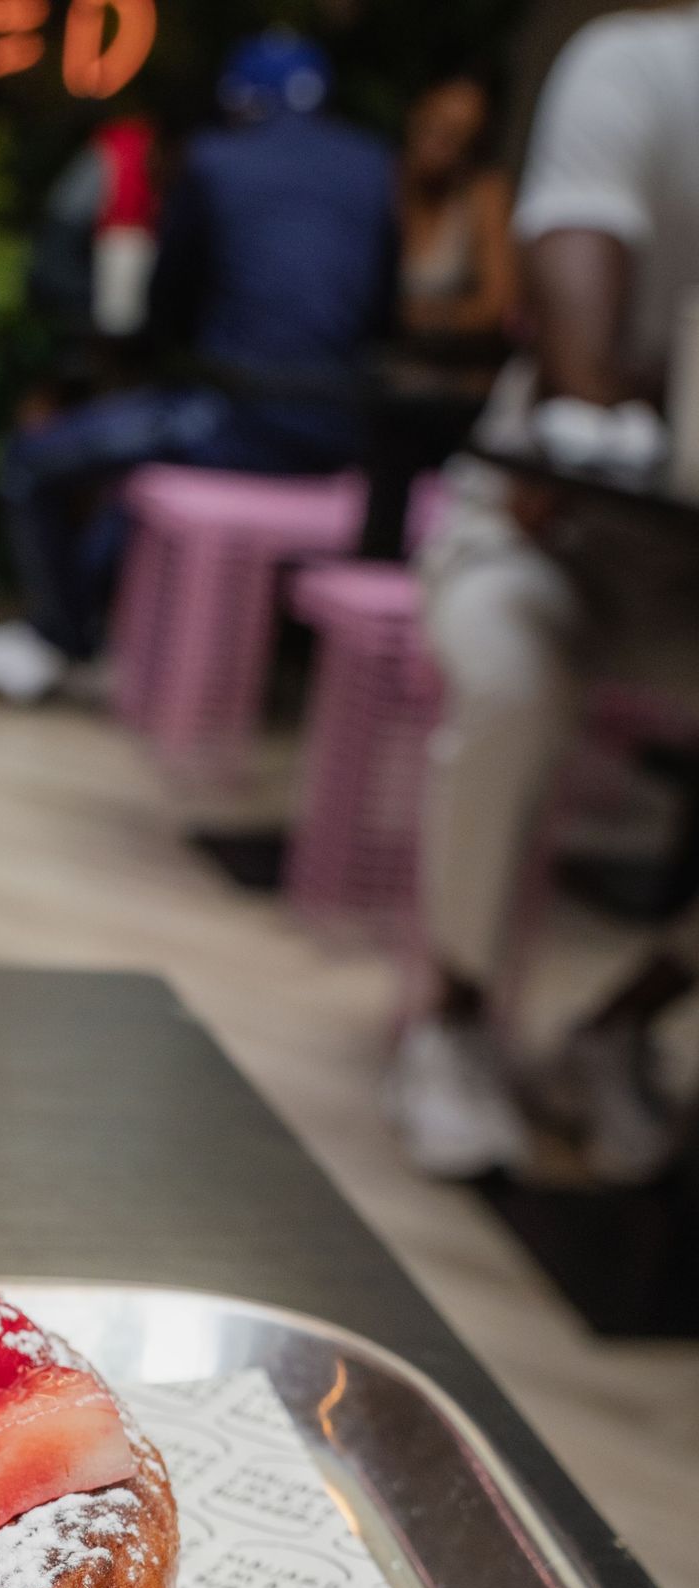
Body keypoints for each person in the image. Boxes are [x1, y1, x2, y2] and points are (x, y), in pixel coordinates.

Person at [391, 5, 699, 1184]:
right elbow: (574, 244)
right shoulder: (641, 63)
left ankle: (620, 1023)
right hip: (538, 526)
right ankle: (450, 1019)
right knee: (515, 685)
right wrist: (596, 409)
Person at [0, 32, 398, 707]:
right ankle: (77, 631)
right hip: (342, 433)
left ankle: (58, 640)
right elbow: (381, 314)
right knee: (139, 481)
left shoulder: (215, 162)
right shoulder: (375, 165)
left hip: (237, 416)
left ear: (240, 103)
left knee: (33, 463)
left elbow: (164, 305)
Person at [400, 74, 515, 341]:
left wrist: (409, 317)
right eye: (432, 127)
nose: (438, 145)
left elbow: (497, 307)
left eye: (456, 136)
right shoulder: (377, 182)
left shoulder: (484, 195)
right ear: (415, 115)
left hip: (454, 368)